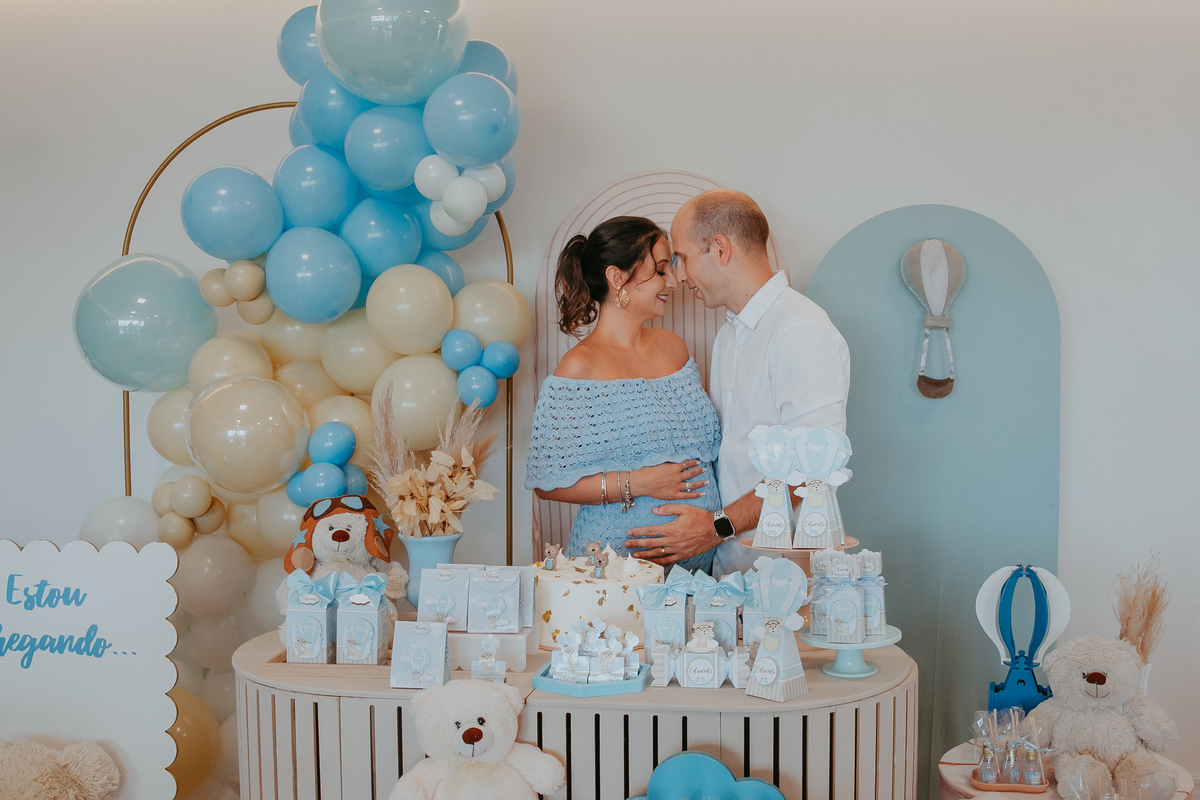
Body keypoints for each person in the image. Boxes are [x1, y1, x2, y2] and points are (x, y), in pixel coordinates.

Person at [624, 190, 851, 577]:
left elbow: (812, 476)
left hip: (787, 576)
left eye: (682, 258)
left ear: (720, 248)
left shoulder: (800, 330)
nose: (679, 275)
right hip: (730, 571)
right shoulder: (729, 336)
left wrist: (715, 528)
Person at [526, 216, 723, 574]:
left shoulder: (674, 349)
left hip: (702, 568)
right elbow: (547, 483)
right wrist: (640, 482)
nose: (675, 280)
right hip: (613, 571)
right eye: (661, 270)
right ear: (618, 278)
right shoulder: (579, 366)